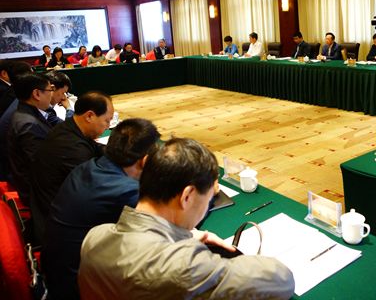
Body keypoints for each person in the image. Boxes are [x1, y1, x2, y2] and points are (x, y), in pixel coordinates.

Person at [78, 137, 295, 299]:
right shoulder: (185, 265)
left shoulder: (95, 237)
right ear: (187, 196)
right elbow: (281, 280)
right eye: (208, 199)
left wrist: (185, 236)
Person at [43, 118, 160, 300]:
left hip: (56, 273)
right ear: (145, 161)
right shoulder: (125, 191)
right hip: (76, 287)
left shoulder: (87, 167)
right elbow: (172, 218)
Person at [31, 91, 113, 237]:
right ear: (89, 116)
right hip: (60, 226)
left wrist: (120, 153)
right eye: (107, 121)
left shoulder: (70, 127)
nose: (108, 127)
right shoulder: (71, 147)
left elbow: (96, 147)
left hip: (57, 206)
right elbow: (97, 189)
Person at [6, 73, 55, 205]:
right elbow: (42, 168)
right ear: (37, 94)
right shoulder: (29, 125)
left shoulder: (25, 112)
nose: (52, 94)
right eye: (50, 90)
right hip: (38, 196)